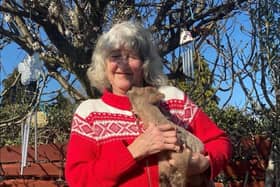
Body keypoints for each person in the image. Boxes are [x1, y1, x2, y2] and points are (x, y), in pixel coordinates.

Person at [65, 21, 232, 187]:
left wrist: (205, 163)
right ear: (104, 64)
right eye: (115, 56)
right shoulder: (90, 112)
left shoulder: (173, 98)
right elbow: (78, 179)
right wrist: (134, 151)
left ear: (145, 64)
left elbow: (219, 141)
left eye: (132, 56)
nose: (123, 63)